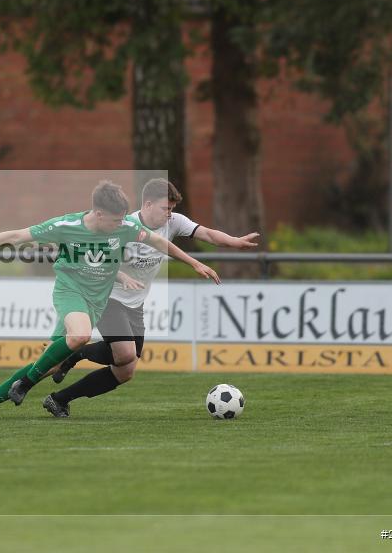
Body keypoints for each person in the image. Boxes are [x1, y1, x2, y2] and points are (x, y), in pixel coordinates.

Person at [0, 180, 221, 420]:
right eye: (115, 221)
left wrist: (194, 263)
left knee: (52, 364)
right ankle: (26, 384)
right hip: (71, 291)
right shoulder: (66, 226)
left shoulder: (125, 226)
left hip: (97, 301)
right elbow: (18, 235)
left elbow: (160, 243)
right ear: (98, 214)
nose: (122, 226)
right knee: (80, 336)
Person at [42, 178, 259, 418]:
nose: (170, 214)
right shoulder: (124, 226)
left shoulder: (174, 222)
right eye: (166, 208)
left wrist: (235, 242)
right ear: (147, 204)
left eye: (172, 209)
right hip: (109, 297)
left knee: (125, 371)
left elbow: (207, 233)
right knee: (125, 354)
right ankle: (73, 354)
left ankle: (59, 398)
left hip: (135, 303)